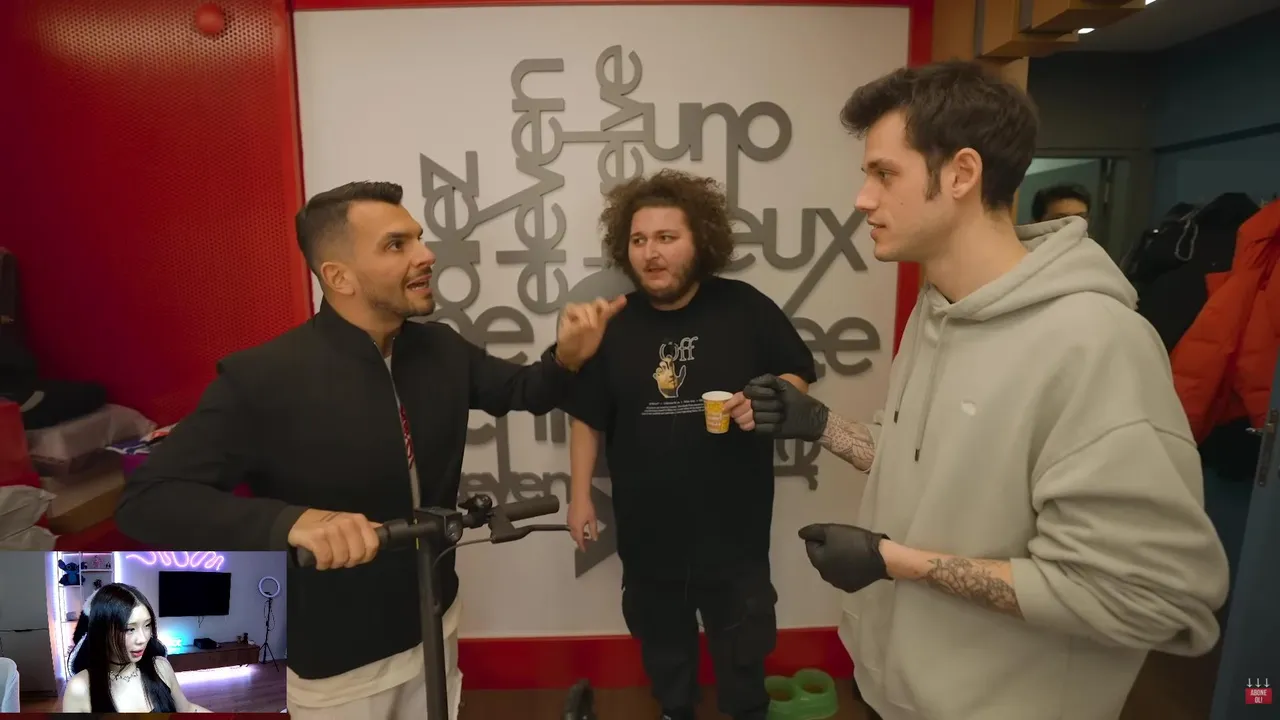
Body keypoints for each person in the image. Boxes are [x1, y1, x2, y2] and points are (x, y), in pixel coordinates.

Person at [743, 61, 1230, 720]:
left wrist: (895, 562)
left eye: (884, 174)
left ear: (961, 174)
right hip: (898, 693)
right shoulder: (937, 310)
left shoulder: (1095, 343)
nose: (863, 199)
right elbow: (938, 470)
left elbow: (1148, 597)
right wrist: (821, 424)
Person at [114, 180, 623, 720]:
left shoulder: (442, 348)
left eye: (418, 238)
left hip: (437, 621)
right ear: (339, 276)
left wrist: (567, 357)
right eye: (396, 245)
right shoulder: (262, 378)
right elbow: (148, 499)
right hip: (340, 662)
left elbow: (525, 391)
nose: (426, 255)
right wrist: (289, 522)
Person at [562, 169, 818, 720]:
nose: (651, 252)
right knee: (663, 649)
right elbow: (586, 418)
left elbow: (797, 374)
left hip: (734, 533)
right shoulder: (615, 324)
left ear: (700, 240)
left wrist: (770, 400)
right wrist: (579, 497)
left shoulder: (745, 307)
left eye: (666, 237)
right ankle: (676, 710)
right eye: (639, 239)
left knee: (743, 650)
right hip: (648, 533)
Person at [61, 583, 211, 713]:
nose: (143, 639)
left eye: (147, 625)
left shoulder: (160, 667)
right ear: (102, 631)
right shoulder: (80, 688)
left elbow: (187, 709)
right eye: (130, 629)